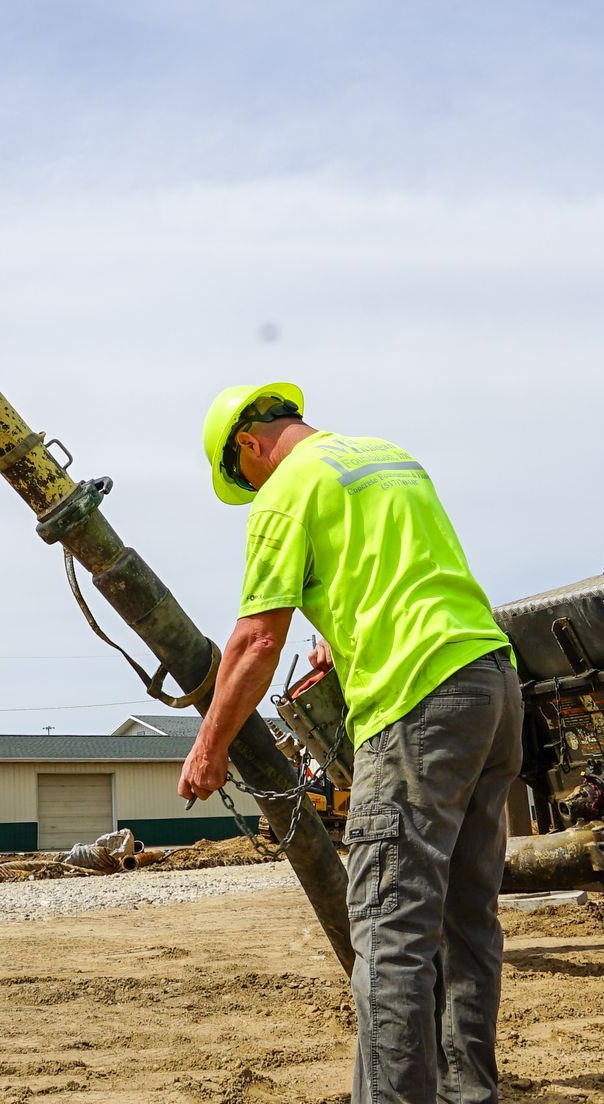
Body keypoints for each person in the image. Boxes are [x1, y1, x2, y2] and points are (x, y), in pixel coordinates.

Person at [178, 382, 523, 1104]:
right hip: (491, 685)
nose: (254, 489)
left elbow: (256, 639)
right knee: (467, 924)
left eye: (246, 478)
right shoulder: (389, 458)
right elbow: (403, 580)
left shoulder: (288, 488)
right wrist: (341, 638)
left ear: (248, 445)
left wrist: (209, 747)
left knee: (390, 932)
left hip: (416, 702)